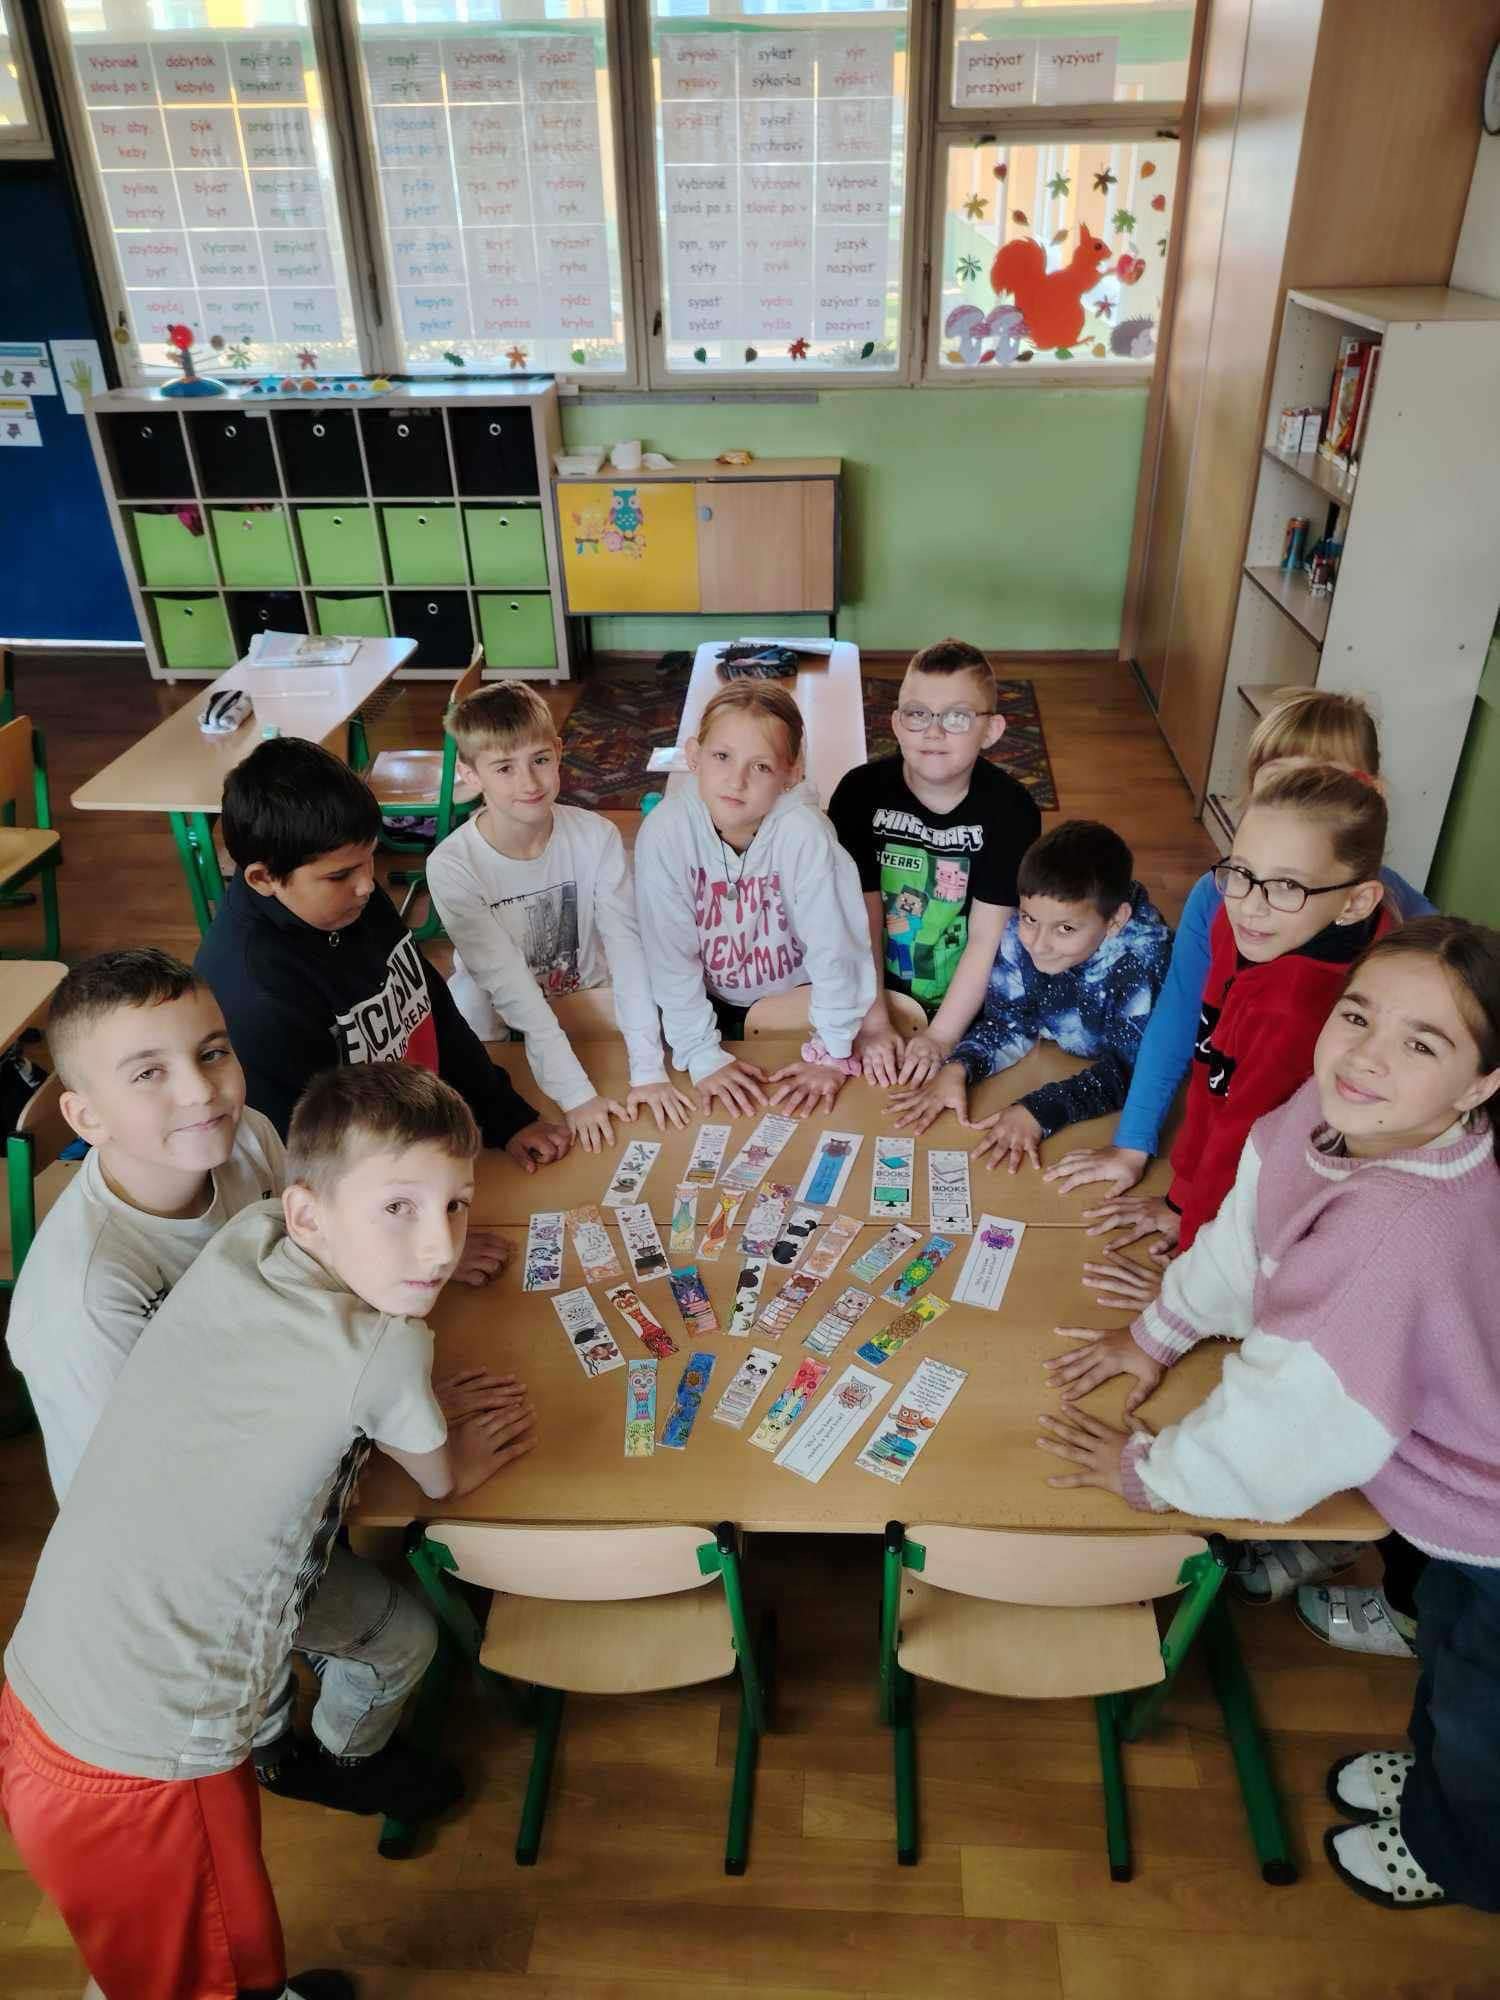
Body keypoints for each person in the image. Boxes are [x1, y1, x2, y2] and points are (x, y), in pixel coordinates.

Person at [0, 1065, 537, 1999]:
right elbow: (441, 1476)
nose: (440, 1244)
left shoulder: (247, 1238)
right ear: (308, 1214)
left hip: (53, 1694)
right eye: (399, 1208)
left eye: (455, 1205)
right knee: (194, 1970)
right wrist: (443, 1441)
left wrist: (397, 1394)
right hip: (153, 1753)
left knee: (179, 1955)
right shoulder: (384, 1348)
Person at [1038, 918, 1500, 1915]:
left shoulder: (1399, 1237)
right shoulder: (1325, 1112)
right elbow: (1247, 1238)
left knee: (1483, 1722)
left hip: (1487, 1520)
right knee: (1448, 1657)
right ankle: (1441, 1799)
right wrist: (1157, 1333)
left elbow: (1286, 1426)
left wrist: (1149, 1472)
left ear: (1479, 1087)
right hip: (1447, 1485)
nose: (1365, 1055)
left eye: (1422, 1042)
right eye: (1358, 1015)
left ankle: (1456, 1855)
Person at [1044, 689, 1432, 1277]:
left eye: (1318, 785)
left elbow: (1249, 1132)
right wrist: (1141, 1149)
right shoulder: (1229, 902)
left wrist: (1197, 1259)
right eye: (1279, 784)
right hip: (1235, 1169)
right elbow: (1192, 1036)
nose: (1252, 903)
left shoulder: (1365, 947)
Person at [194, 739, 570, 1292]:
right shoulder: (256, 997)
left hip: (426, 1152)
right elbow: (315, 1168)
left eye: (369, 858)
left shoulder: (349, 902)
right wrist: (420, 1250)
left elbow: (428, 1005)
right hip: (374, 1222)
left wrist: (503, 1115)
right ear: (262, 878)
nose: (367, 884)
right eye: (340, 874)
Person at [1087, 763, 1392, 1275]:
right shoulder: (1241, 925)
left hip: (1275, 1213)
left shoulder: (1295, 1009)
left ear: (1355, 902)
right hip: (1224, 1183)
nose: (1250, 907)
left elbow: (1241, 1143)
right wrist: (1181, 1199)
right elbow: (1213, 1073)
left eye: (1287, 886)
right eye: (1242, 873)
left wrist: (1192, 1267)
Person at [7, 948, 284, 1503]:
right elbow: (149, 1491)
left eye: (213, 1053)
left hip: (282, 1416)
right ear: (87, 1117)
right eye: (148, 1073)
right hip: (201, 1514)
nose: (200, 1091)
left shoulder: (247, 1136)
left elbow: (310, 1269)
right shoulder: (84, 1300)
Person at [425, 681, 692, 1152]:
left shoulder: (596, 835)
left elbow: (628, 950)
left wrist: (648, 1072)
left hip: (584, 989)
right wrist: (576, 1096)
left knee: (650, 1019)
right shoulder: (452, 865)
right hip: (498, 1005)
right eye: (504, 768)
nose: (529, 783)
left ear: (560, 751)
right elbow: (510, 988)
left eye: (540, 760)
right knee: (468, 1010)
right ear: (470, 775)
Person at [633, 681, 874, 1119]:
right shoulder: (665, 832)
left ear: (791, 773)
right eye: (722, 757)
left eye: (760, 766)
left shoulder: (806, 835)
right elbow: (669, 955)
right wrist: (700, 1052)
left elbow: (836, 949)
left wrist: (833, 1049)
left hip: (800, 1012)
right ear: (694, 755)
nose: (736, 780)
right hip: (705, 1009)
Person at [884, 821, 1172, 1170]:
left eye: (1065, 928)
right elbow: (1009, 1022)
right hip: (1061, 1061)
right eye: (1029, 919)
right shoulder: (1018, 933)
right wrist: (959, 1067)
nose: (1038, 943)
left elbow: (1135, 1072)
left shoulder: (1143, 960)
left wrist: (1038, 1111)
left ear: (1114, 921)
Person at [827, 637, 1041, 1087]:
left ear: (991, 730)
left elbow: (986, 937)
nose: (933, 732)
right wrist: (874, 1020)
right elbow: (858, 918)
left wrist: (942, 1036)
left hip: (967, 1006)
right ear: (896, 724)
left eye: (957, 717)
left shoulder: (1012, 809)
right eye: (917, 714)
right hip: (869, 996)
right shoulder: (859, 793)